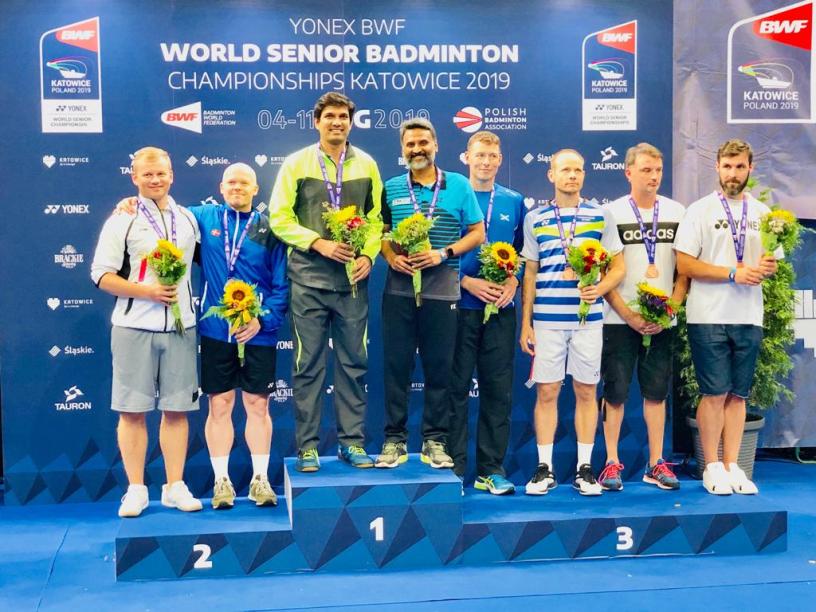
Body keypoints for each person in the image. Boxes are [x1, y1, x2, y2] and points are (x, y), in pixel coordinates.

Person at [268, 92, 384, 472]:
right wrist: (318, 242)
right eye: (330, 116)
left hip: (352, 283)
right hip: (308, 280)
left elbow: (376, 218)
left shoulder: (367, 163)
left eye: (344, 117)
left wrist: (368, 254)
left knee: (354, 364)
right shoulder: (296, 163)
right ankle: (308, 447)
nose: (337, 122)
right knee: (308, 365)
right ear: (315, 121)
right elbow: (279, 218)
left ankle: (352, 443)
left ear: (351, 122)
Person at [91, 146, 202, 517]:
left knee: (177, 410)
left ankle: (175, 486)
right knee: (132, 411)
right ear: (134, 177)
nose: (155, 180)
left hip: (181, 327)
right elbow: (101, 275)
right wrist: (147, 292)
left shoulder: (188, 218)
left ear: (172, 175)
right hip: (133, 326)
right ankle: (136, 489)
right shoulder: (120, 219)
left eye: (162, 174)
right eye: (147, 174)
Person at [376, 118, 485, 470]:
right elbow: (381, 233)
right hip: (399, 291)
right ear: (402, 150)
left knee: (440, 369)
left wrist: (444, 253)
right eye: (410, 144)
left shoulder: (458, 185)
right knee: (396, 367)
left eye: (423, 142)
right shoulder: (391, 187)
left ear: (436, 145)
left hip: (443, 290)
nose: (417, 149)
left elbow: (478, 231)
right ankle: (394, 440)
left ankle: (435, 441)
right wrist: (391, 257)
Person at [675, 138, 778, 495]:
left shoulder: (764, 215)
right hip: (708, 314)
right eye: (727, 166)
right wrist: (733, 273)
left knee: (738, 394)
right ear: (717, 168)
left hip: (749, 314)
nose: (733, 173)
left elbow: (772, 261)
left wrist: (767, 266)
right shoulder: (699, 211)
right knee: (714, 393)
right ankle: (711, 466)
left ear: (750, 169)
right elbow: (685, 264)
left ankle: (734, 466)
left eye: (739, 167)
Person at [519, 149, 624, 496]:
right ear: (551, 174)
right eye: (565, 169)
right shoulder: (535, 218)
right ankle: (544, 469)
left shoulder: (600, 215)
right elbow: (530, 272)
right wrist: (526, 323)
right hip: (547, 321)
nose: (573, 175)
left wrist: (600, 288)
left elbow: (618, 267)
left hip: (588, 321)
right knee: (547, 391)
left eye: (578, 170)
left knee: (586, 391)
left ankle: (585, 469)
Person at [194, 163, 288, 508]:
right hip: (217, 330)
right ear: (221, 187)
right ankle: (222, 482)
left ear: (255, 189)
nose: (237, 187)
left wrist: (263, 321)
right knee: (219, 404)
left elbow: (282, 285)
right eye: (231, 182)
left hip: (258, 332)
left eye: (244, 183)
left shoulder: (269, 229)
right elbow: (165, 215)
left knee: (257, 404)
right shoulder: (203, 217)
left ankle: (260, 480)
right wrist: (130, 205)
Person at [599, 143, 688, 492]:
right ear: (629, 172)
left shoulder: (678, 211)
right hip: (619, 319)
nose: (653, 177)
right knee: (616, 392)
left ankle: (656, 463)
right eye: (646, 170)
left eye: (658, 171)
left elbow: (684, 270)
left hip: (663, 321)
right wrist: (628, 314)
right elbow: (603, 272)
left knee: (656, 393)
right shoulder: (610, 213)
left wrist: (670, 311)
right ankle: (610, 462)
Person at [447, 130, 526, 494]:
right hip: (459, 308)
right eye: (479, 155)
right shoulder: (451, 197)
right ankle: (454, 471)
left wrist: (513, 283)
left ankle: (490, 470)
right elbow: (438, 252)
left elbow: (524, 255)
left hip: (501, 311)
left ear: (500, 160)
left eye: (492, 156)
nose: (486, 161)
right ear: (467, 157)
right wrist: (466, 283)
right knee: (455, 390)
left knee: (497, 392)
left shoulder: (514, 200)